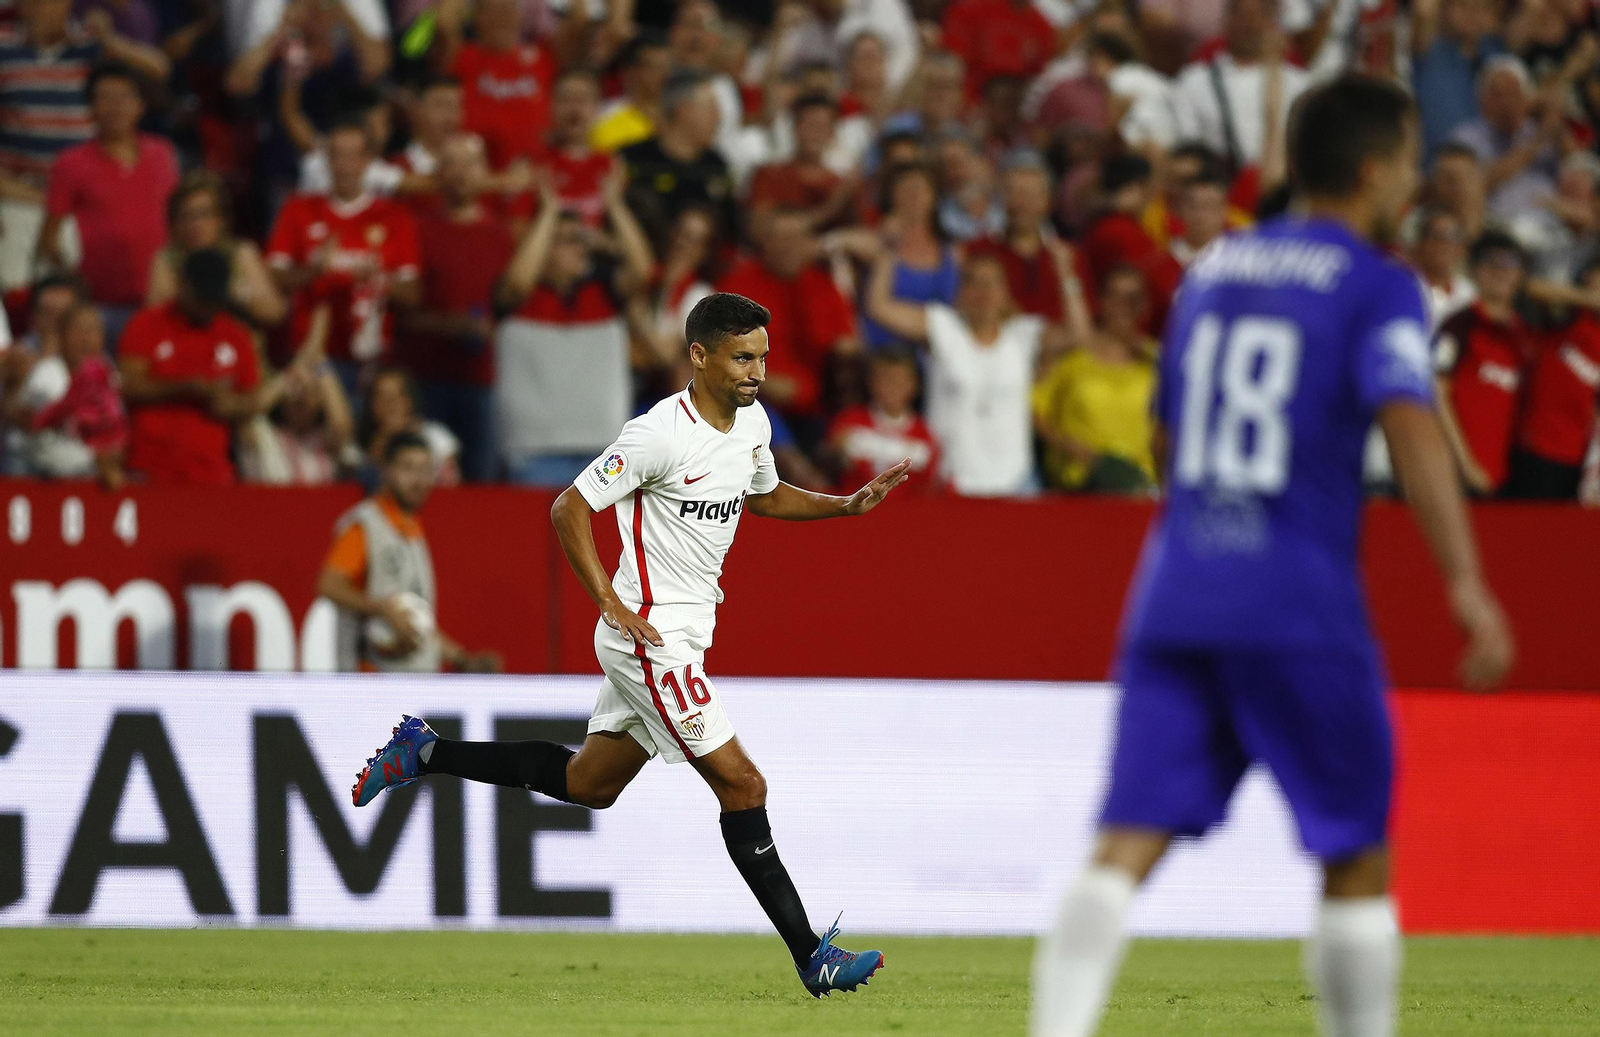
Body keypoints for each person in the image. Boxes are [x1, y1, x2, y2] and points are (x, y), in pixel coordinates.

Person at [1029, 74, 1514, 1037]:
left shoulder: (1213, 269)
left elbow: (1167, 439)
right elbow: (1412, 424)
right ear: (1374, 170)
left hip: (1176, 588)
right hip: (1298, 597)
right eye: (1412, 167)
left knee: (1124, 842)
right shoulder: (1380, 283)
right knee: (1355, 851)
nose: (1414, 187)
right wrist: (1466, 581)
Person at [351, 292, 907, 997]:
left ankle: (423, 751)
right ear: (699, 356)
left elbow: (758, 493)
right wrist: (612, 603)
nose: (756, 371)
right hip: (649, 635)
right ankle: (812, 955)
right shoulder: (656, 435)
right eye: (742, 357)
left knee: (591, 784)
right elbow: (568, 507)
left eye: (762, 357)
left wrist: (841, 505)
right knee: (744, 784)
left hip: (683, 633)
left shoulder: (752, 424)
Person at [866, 246, 1076, 496]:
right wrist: (887, 254)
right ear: (961, 291)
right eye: (974, 282)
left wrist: (1067, 275)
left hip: (1017, 483)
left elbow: (1079, 336)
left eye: (992, 283)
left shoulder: (1023, 335)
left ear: (1006, 292)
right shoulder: (942, 327)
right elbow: (878, 307)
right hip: (952, 483)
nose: (984, 291)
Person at [495, 169, 653, 486]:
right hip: (532, 451)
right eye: (568, 241)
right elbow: (518, 282)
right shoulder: (517, 296)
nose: (581, 248)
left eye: (582, 240)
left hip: (604, 450)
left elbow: (643, 269)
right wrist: (549, 212)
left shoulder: (603, 291)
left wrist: (615, 206)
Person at [0, 0, 169, 289]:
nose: (42, 10)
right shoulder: (4, 48)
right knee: (17, 286)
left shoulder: (90, 45)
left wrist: (111, 40)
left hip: (84, 198)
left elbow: (159, 69)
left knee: (79, 287)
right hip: (22, 194)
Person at [318, 429, 500, 673]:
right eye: (407, 468)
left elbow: (416, 624)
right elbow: (329, 585)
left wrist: (462, 659)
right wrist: (382, 608)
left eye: (425, 470)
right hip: (369, 685)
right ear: (386, 470)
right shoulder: (365, 526)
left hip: (412, 686)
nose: (418, 480)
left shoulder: (413, 531)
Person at [265, 118, 422, 395]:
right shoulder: (298, 210)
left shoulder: (395, 217)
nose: (345, 164)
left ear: (368, 160)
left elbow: (411, 294)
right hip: (308, 355)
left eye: (354, 155)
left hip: (368, 360)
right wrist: (314, 270)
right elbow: (273, 278)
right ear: (327, 160)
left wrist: (378, 281)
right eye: (337, 154)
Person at [395, 133, 512, 483]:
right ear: (438, 173)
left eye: (469, 163)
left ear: (484, 172)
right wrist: (451, 327)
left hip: (482, 378)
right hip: (426, 378)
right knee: (424, 477)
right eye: (451, 163)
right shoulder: (416, 230)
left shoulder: (501, 235)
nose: (460, 172)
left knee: (483, 481)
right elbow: (401, 313)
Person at [118, 249, 289, 485]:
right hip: (149, 469)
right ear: (183, 284)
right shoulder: (146, 324)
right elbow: (129, 387)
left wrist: (227, 403)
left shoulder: (235, 335)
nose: (207, 306)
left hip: (211, 473)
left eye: (214, 299)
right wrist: (187, 388)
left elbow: (250, 398)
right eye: (202, 297)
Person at [38, 61, 179, 340]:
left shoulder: (162, 155)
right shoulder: (71, 163)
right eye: (105, 98)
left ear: (141, 105)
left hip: (161, 303)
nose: (116, 107)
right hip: (101, 308)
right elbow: (49, 240)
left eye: (124, 97)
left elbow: (178, 222)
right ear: (90, 108)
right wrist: (79, 289)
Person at [1033, 265, 1158, 493]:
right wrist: (1068, 447)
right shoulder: (1072, 356)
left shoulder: (1154, 359)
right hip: (1080, 484)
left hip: (1140, 488)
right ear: (1102, 301)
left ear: (1144, 304)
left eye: (1133, 297)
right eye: (1116, 297)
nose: (1125, 306)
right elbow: (1036, 409)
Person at [1434, 230, 1532, 495]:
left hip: (1509, 477)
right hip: (1460, 473)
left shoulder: (1525, 334)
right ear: (1476, 270)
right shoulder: (1458, 326)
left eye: (1511, 264)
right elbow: (1438, 394)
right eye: (1492, 263)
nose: (1502, 272)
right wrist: (1467, 466)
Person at [1507, 260, 1600, 500]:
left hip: (1580, 456)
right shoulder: (1571, 314)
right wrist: (1590, 298)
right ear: (1589, 277)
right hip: (1538, 444)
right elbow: (1532, 288)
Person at [147, 171, 288, 328]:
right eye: (187, 215)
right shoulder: (168, 259)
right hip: (187, 347)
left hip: (239, 345)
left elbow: (275, 313)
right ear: (175, 222)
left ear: (221, 219)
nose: (196, 224)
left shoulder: (241, 253)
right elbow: (153, 318)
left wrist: (229, 289)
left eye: (204, 214)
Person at [6, 300, 126, 485]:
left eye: (92, 331)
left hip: (88, 479)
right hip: (38, 477)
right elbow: (29, 421)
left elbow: (115, 434)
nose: (85, 339)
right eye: (78, 330)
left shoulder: (109, 375)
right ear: (61, 337)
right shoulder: (47, 373)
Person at [620, 70, 737, 246]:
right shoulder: (632, 159)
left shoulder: (716, 164)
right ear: (683, 110)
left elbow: (731, 230)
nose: (718, 118)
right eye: (711, 108)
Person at [826, 346, 939, 492]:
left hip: (905, 511)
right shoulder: (849, 420)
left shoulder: (925, 433)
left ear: (914, 385)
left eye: (899, 380)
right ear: (872, 382)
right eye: (885, 379)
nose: (892, 386)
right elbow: (833, 458)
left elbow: (928, 486)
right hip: (856, 508)